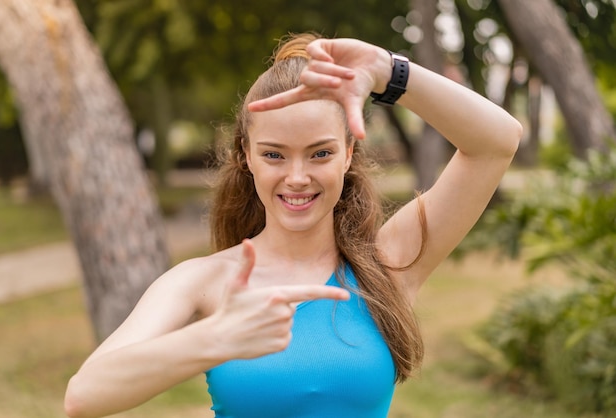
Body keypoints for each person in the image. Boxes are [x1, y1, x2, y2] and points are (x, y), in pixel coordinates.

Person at [64, 32, 522, 418]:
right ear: (246, 155)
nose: (297, 177)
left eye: (320, 153)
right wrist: (212, 339)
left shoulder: (389, 263)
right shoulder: (204, 281)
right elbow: (84, 396)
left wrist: (388, 71)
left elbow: (497, 142)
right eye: (274, 154)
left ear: (348, 153)